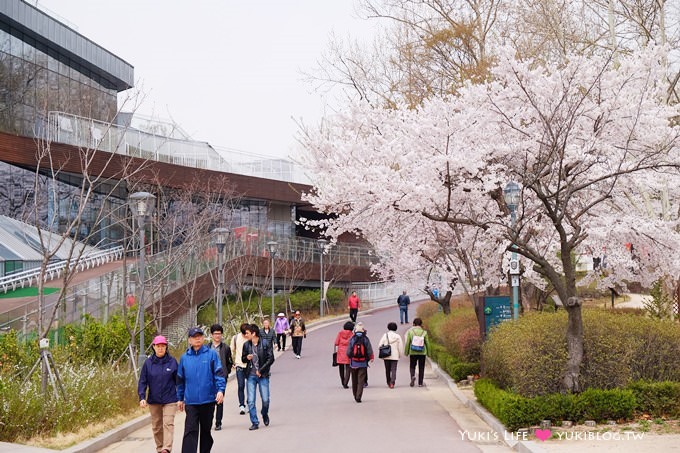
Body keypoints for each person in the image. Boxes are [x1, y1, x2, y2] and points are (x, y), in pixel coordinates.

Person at [177, 327, 226, 453]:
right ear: (189, 340)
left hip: (208, 400)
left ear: (203, 338)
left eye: (199, 336)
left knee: (205, 431)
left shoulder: (211, 354)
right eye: (194, 337)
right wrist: (180, 398)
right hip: (191, 402)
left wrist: (220, 390)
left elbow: (219, 374)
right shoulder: (185, 358)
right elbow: (180, 380)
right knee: (190, 431)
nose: (197, 339)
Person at [138, 335, 178, 453]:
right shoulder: (148, 363)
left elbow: (179, 381)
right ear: (154, 347)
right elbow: (142, 381)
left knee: (168, 423)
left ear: (166, 347)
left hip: (170, 399)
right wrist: (142, 397)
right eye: (158, 346)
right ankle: (160, 448)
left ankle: (166, 448)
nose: (160, 348)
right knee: (157, 426)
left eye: (163, 346)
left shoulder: (172, 362)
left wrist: (182, 397)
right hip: (154, 400)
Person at [241, 324, 275, 430]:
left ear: (253, 333)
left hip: (263, 375)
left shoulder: (265, 343)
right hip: (250, 375)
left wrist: (261, 370)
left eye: (246, 333)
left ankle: (264, 413)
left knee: (265, 400)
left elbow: (271, 358)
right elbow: (243, 359)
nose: (245, 335)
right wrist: (246, 357)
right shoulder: (246, 345)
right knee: (250, 400)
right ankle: (255, 422)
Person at [209, 324, 233, 431]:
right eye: (215, 333)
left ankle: (218, 422)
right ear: (211, 335)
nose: (217, 336)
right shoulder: (207, 348)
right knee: (209, 400)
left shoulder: (226, 348)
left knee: (219, 399)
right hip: (209, 377)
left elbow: (229, 362)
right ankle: (208, 420)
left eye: (219, 333)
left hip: (221, 377)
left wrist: (226, 372)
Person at [346, 322, 373, 403]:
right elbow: (369, 351)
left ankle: (355, 394)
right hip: (363, 363)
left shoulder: (352, 339)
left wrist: (351, 358)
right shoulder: (366, 339)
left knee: (354, 380)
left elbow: (348, 352)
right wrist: (368, 359)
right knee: (361, 381)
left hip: (353, 363)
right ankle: (359, 396)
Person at [404, 318, 431, 387]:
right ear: (421, 324)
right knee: (421, 367)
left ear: (414, 324)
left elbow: (408, 343)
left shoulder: (411, 332)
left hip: (413, 351)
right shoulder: (424, 332)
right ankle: (420, 383)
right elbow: (427, 343)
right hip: (422, 352)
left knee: (412, 366)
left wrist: (406, 352)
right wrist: (429, 353)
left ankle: (413, 376)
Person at [230, 323, 249, 415]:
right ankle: (242, 405)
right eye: (244, 333)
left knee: (250, 386)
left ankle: (250, 403)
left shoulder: (251, 337)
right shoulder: (235, 338)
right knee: (241, 385)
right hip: (239, 365)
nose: (246, 335)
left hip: (250, 366)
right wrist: (232, 362)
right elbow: (231, 351)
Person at [378, 322, 404, 388]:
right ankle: (392, 382)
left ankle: (388, 382)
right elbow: (400, 347)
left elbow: (379, 345)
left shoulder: (385, 335)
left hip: (386, 355)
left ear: (388, 328)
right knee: (394, 369)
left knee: (387, 370)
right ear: (396, 328)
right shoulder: (398, 336)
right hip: (395, 355)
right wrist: (400, 354)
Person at [333, 321, 354, 389]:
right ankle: (346, 382)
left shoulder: (340, 333)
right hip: (348, 352)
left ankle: (342, 381)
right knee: (348, 368)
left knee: (341, 368)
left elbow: (336, 343)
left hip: (340, 352)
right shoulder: (352, 334)